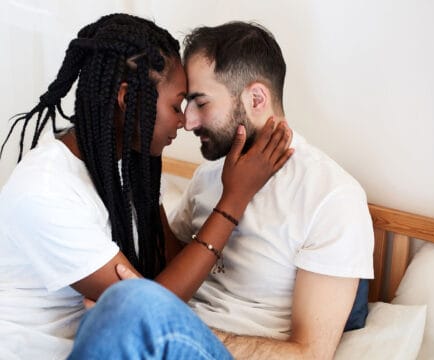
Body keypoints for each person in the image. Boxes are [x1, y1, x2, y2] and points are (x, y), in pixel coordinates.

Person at [0, 14, 292, 359]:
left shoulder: (131, 169)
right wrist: (233, 199)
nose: (185, 121)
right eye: (177, 105)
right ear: (128, 99)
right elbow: (147, 310)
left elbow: (165, 265)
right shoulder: (45, 189)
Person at [163, 21, 374, 359]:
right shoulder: (208, 174)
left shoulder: (331, 196)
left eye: (200, 103)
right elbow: (170, 265)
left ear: (256, 98)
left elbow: (310, 353)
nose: (188, 122)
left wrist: (177, 336)